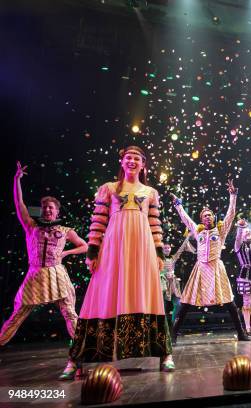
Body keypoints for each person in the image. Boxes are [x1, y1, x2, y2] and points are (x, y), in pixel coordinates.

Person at [60, 146, 174, 380]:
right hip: (114, 248)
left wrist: (159, 253)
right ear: (122, 162)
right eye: (128, 158)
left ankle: (165, 355)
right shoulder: (109, 188)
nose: (132, 161)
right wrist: (92, 252)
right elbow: (98, 221)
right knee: (100, 294)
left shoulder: (151, 192)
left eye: (137, 158)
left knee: (149, 296)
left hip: (142, 249)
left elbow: (155, 224)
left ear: (143, 164)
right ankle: (76, 359)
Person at [0, 162, 87, 346]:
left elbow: (84, 246)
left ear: (57, 211)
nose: (47, 210)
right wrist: (17, 180)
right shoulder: (32, 227)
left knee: (70, 313)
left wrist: (65, 253)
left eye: (51, 208)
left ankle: (82, 349)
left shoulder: (65, 230)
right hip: (35, 274)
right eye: (45, 207)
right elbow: (19, 204)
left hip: (57, 274)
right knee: (17, 314)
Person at [169, 180, 251, 343]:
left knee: (229, 302)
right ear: (201, 219)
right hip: (200, 268)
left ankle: (241, 333)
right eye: (204, 215)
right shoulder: (197, 230)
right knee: (186, 302)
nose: (207, 216)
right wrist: (178, 205)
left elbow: (231, 215)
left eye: (210, 214)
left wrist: (233, 195)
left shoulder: (220, 230)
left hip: (216, 268)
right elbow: (185, 219)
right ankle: (173, 334)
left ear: (214, 217)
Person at [160, 238, 195, 326]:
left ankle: (172, 323)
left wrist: (187, 238)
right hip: (163, 282)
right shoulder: (158, 259)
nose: (167, 249)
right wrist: (162, 274)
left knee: (178, 304)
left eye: (168, 248)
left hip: (173, 283)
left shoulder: (173, 258)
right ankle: (162, 325)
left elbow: (180, 250)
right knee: (162, 306)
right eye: (165, 248)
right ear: (162, 249)